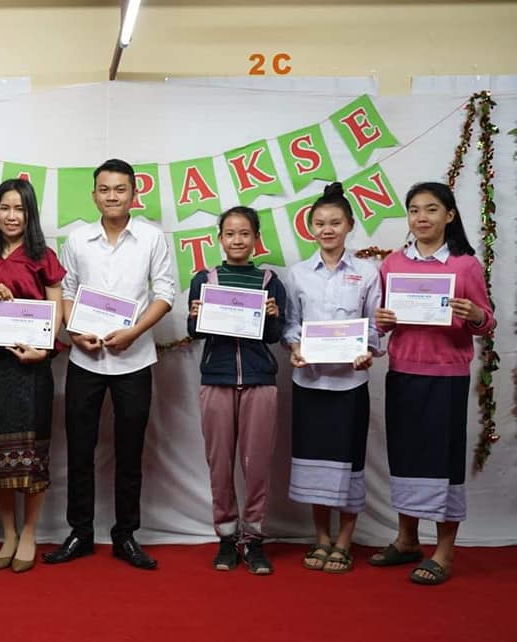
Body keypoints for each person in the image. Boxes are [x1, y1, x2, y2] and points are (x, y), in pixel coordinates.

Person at [43, 159, 175, 571]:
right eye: (105, 189)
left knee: (130, 450)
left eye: (120, 189)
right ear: (94, 194)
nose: (112, 196)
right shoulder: (78, 239)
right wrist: (71, 332)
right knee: (79, 450)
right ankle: (80, 532)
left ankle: (126, 536)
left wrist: (134, 332)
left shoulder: (152, 238)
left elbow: (166, 292)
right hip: (86, 357)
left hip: (133, 358)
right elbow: (65, 291)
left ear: (134, 194)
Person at [371, 182, 495, 585]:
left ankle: (444, 551)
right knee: (406, 456)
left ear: (450, 216)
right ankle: (407, 539)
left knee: (442, 460)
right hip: (404, 371)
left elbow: (487, 322)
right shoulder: (391, 264)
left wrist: (476, 313)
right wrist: (382, 322)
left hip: (446, 376)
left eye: (431, 210)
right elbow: (384, 321)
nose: (421, 218)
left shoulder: (465, 265)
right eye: (414, 210)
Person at [0, 179, 65, 574]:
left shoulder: (43, 256)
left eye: (19, 209)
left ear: (30, 214)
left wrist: (44, 348)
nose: (11, 216)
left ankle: (30, 533)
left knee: (32, 453)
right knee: (0, 454)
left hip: (34, 367)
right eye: (4, 208)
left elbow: (55, 312)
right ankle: (7, 532)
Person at [283, 183, 382, 573]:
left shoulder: (367, 273)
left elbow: (375, 327)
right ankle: (321, 537)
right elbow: (292, 324)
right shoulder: (298, 273)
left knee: (349, 460)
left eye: (335, 222)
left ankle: (345, 539)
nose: (327, 229)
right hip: (309, 383)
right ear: (310, 228)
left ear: (349, 226)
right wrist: (294, 347)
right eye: (320, 223)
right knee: (314, 462)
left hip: (350, 385)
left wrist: (368, 351)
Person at [187, 206, 286, 575]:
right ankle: (227, 539)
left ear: (256, 238)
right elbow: (195, 331)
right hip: (217, 378)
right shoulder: (205, 278)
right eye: (230, 233)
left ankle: (255, 540)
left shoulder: (269, 280)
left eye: (245, 233)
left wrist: (273, 317)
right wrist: (197, 315)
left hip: (260, 379)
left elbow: (276, 337)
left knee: (257, 463)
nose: (237, 240)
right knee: (220, 462)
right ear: (220, 238)